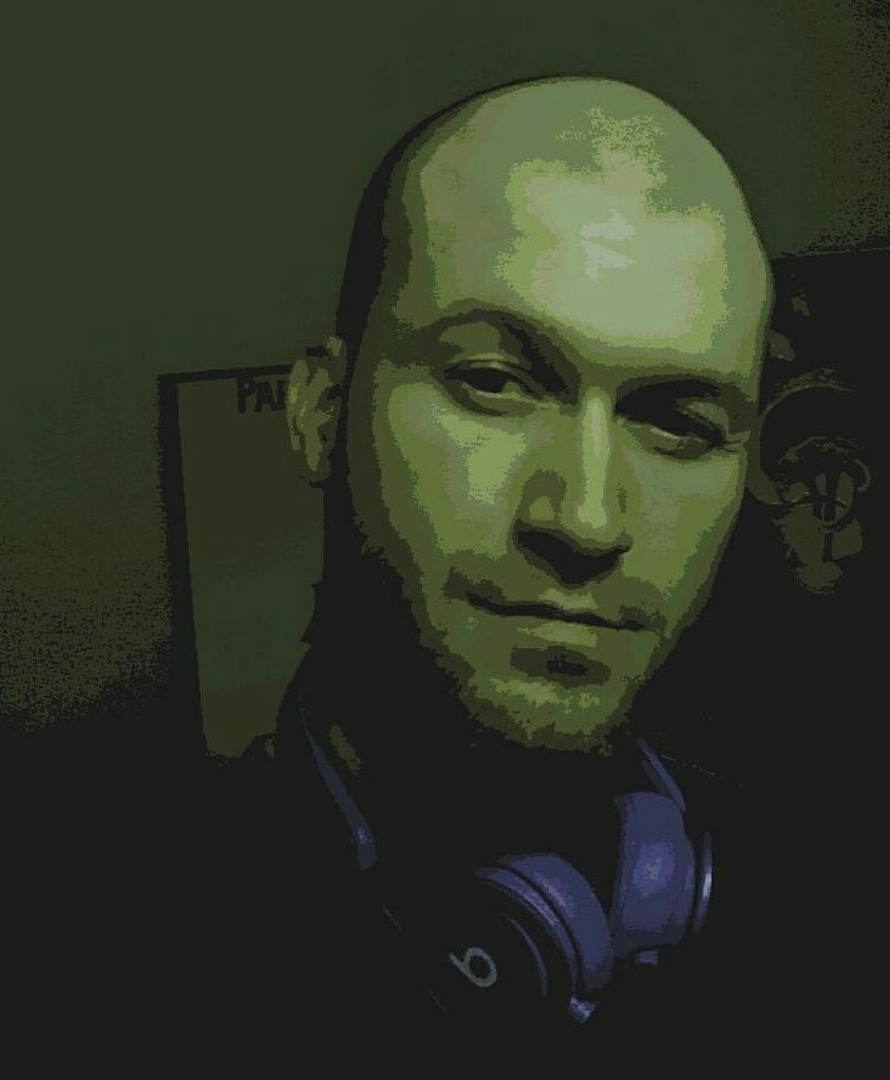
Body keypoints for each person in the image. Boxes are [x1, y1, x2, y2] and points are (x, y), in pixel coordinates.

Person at [241, 74, 776, 1048]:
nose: (586, 520)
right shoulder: (76, 935)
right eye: (493, 382)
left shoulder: (850, 934)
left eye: (679, 425)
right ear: (321, 413)